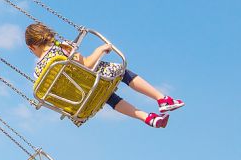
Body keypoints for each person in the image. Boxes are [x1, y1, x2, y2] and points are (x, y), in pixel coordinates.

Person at [24, 22, 184, 128]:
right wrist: (99, 50)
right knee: (121, 71)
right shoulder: (62, 48)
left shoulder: (38, 72)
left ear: (31, 47)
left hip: (78, 102)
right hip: (87, 86)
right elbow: (87, 64)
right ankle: (162, 99)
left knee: (105, 94)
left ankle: (149, 118)